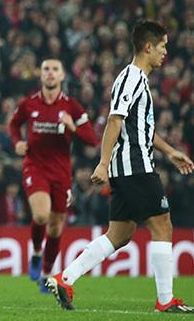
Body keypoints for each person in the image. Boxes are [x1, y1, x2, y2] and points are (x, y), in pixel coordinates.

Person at [46, 20, 194, 313]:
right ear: (148, 47)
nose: (166, 52)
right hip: (134, 166)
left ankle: (65, 279)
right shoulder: (131, 78)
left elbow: (141, 127)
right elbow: (115, 120)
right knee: (162, 224)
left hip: (130, 165)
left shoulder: (139, 80)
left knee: (120, 234)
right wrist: (102, 163)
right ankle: (165, 301)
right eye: (163, 46)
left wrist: (170, 151)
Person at [8, 58, 100, 292]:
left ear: (62, 76)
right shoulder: (29, 103)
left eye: (54, 69)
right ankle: (37, 253)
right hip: (35, 166)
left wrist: (73, 127)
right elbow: (14, 124)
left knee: (57, 228)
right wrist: (17, 142)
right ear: (40, 75)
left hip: (61, 172)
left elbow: (92, 139)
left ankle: (47, 274)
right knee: (41, 216)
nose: (50, 73)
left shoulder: (71, 106)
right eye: (46, 69)